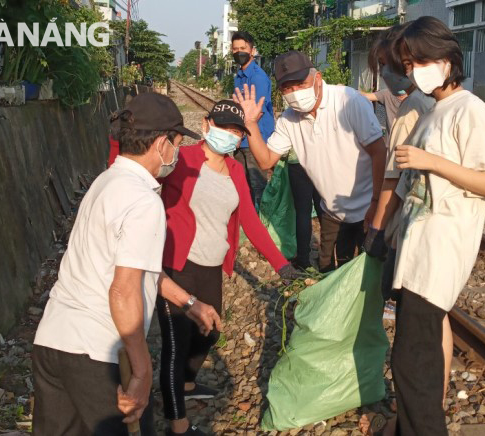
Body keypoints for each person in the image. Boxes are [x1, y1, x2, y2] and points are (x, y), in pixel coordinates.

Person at [32, 93, 222, 436]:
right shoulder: (143, 201)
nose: (176, 153)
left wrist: (188, 303)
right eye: (177, 143)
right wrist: (142, 368)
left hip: (52, 343)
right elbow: (123, 290)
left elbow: (139, 267)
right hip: (93, 353)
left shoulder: (105, 182)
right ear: (162, 143)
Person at [383, 17, 485, 435]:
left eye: (419, 60)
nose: (413, 70)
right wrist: (383, 229)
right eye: (408, 64)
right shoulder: (433, 111)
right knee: (411, 358)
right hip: (415, 252)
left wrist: (431, 162)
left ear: (446, 58)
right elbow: (409, 181)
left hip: (440, 254)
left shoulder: (470, 109)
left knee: (412, 362)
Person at [153, 100, 302, 436]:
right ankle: (177, 425)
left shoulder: (236, 170)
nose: (231, 135)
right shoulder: (182, 159)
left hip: (210, 265)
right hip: (176, 263)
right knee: (175, 344)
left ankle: (186, 385)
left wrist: (282, 266)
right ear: (207, 125)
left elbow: (250, 221)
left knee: (212, 331)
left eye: (237, 131)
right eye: (225, 127)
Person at [234, 51, 387, 273]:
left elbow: (378, 152)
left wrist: (376, 203)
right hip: (332, 211)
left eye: (300, 84)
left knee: (371, 272)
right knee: (332, 269)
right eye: (287, 88)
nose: (295, 93)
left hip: (367, 208)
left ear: (317, 78)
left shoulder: (348, 101)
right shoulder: (289, 119)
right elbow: (266, 161)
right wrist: (250, 123)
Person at [362, 24, 435, 300]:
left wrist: (378, 228)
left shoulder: (411, 108)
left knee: (410, 300)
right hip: (425, 213)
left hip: (409, 217)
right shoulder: (429, 101)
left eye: (384, 64)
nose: (384, 73)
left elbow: (393, 177)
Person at [232, 30, 274, 207]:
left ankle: (261, 224)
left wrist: (241, 134)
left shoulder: (258, 77)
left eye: (243, 48)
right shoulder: (239, 76)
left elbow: (258, 112)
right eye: (235, 49)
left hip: (255, 139)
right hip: (240, 140)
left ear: (252, 51)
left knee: (258, 186)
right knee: (241, 184)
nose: (239, 52)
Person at [287, 149, 322, 269]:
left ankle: (303, 260)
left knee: (303, 212)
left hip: (298, 163)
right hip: (321, 161)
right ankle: (328, 259)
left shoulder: (292, 128)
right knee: (324, 210)